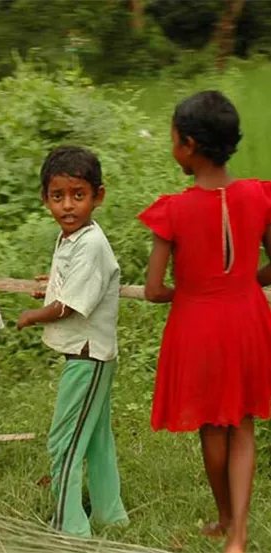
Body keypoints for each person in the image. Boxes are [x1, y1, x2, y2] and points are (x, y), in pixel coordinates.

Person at [139, 90, 271, 553]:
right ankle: (238, 535)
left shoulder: (172, 211)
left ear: (189, 145)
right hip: (248, 318)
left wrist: (195, 295)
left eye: (173, 138)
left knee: (213, 427)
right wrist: (246, 282)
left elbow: (155, 289)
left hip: (197, 324)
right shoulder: (258, 195)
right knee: (243, 424)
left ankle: (224, 516)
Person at [17, 146, 129, 538]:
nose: (67, 205)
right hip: (87, 355)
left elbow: (68, 307)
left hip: (88, 356)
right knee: (96, 439)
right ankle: (109, 514)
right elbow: (73, 284)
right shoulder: (74, 237)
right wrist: (52, 288)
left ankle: (70, 529)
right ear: (45, 197)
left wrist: (36, 315)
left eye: (78, 195)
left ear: (98, 195)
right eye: (57, 196)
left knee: (63, 443)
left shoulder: (91, 243)